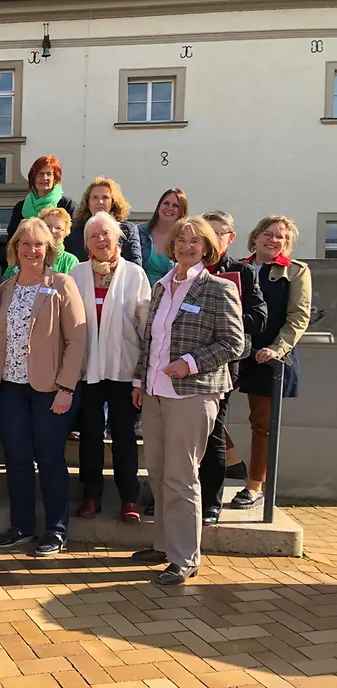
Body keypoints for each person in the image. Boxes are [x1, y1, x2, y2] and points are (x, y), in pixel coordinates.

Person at [131, 217, 244, 585]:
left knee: (181, 477)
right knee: (161, 474)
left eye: (195, 241)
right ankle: (163, 545)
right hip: (154, 393)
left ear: (207, 247)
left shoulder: (217, 289)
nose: (186, 246)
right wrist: (139, 380)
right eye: (181, 239)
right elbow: (150, 340)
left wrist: (190, 363)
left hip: (192, 395)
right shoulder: (162, 286)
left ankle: (185, 557)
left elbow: (234, 343)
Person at [0, 218, 86, 556]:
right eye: (25, 244)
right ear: (14, 248)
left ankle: (56, 530)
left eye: (38, 244)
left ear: (49, 249)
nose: (31, 250)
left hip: (50, 389)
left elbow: (77, 339)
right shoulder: (5, 289)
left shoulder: (62, 284)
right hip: (12, 387)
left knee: (49, 457)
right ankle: (22, 526)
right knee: (16, 458)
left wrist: (66, 387)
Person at [69, 212, 151, 522]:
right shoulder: (77, 274)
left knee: (123, 435)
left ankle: (129, 498)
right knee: (90, 434)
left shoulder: (134, 275)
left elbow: (147, 327)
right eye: (94, 235)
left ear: (118, 238)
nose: (101, 239)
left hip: (124, 370)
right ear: (87, 243)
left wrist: (142, 375)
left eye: (106, 234)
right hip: (88, 370)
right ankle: (91, 496)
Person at [232, 216, 311, 510]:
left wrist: (277, 349)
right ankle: (231, 462)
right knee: (209, 413)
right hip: (234, 353)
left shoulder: (295, 272)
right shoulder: (237, 267)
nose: (272, 240)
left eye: (280, 237)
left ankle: (254, 487)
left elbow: (298, 317)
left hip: (269, 357)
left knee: (261, 424)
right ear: (255, 237)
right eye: (268, 233)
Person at [197, 211, 267, 525]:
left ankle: (211, 502)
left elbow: (259, 318)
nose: (211, 238)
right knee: (184, 435)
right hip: (185, 363)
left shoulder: (242, 272)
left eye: (218, 232)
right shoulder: (188, 268)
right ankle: (177, 499)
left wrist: (222, 317)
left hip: (224, 364)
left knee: (213, 430)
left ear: (230, 238)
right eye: (206, 232)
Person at [67, 177, 142, 265]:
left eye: (105, 197)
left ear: (113, 202)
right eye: (95, 197)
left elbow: (135, 263)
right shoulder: (75, 230)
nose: (100, 202)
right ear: (88, 202)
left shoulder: (127, 230)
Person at [6, 155, 76, 240]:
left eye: (49, 174)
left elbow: (73, 239)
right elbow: (12, 238)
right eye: (40, 174)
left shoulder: (67, 205)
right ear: (33, 178)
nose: (44, 178)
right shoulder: (20, 207)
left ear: (55, 178)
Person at [4, 207, 78, 280]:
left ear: (65, 233)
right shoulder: (23, 255)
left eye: (58, 228)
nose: (52, 231)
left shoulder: (70, 261)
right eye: (47, 226)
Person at [138, 189, 187, 286]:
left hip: (169, 295)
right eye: (166, 203)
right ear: (159, 206)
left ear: (182, 211)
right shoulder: (138, 232)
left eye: (175, 206)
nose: (170, 208)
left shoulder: (185, 239)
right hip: (139, 294)